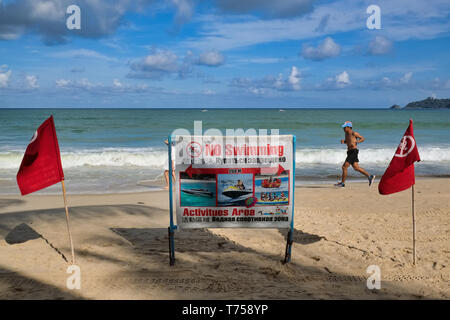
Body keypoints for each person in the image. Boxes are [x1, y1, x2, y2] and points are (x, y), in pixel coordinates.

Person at [335, 121, 375, 188]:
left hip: (354, 151)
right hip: (350, 152)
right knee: (356, 168)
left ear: (349, 127)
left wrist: (357, 141)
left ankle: (342, 183)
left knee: (344, 167)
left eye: (345, 127)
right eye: (343, 128)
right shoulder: (346, 134)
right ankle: (370, 176)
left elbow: (362, 138)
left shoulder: (354, 133)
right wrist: (344, 142)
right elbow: (349, 142)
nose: (343, 129)